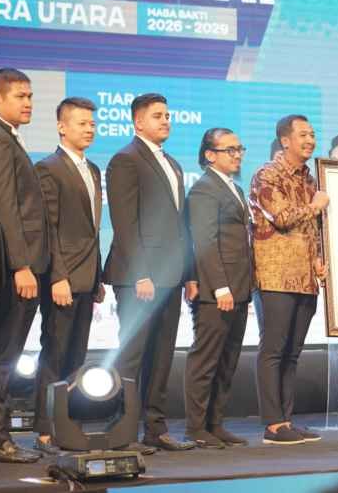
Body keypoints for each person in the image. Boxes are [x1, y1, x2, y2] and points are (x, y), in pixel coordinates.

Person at [105, 93, 195, 452]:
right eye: (158, 115)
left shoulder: (172, 163)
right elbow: (125, 222)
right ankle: (123, 432)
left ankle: (155, 429)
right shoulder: (125, 160)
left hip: (170, 276)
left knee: (161, 356)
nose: (166, 121)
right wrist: (141, 273)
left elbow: (180, 225)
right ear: (138, 122)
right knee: (133, 355)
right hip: (139, 278)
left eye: (168, 115)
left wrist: (188, 273)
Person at [0, 68, 48, 464]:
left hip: (26, 265)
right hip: (14, 269)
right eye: (20, 96)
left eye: (30, 96)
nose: (28, 103)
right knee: (1, 354)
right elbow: (4, 206)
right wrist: (21, 265)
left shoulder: (9, 138)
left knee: (5, 352)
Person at [249, 114, 328, 445]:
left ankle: (286, 420)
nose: (310, 140)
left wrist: (320, 259)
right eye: (303, 135)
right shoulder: (267, 174)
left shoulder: (310, 178)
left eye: (312, 134)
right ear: (285, 140)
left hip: (306, 278)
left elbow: (314, 229)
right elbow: (281, 217)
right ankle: (273, 424)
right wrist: (315, 206)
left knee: (293, 352)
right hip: (276, 277)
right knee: (274, 349)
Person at [33, 98, 104, 454]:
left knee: (76, 357)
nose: (89, 129)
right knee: (55, 354)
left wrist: (98, 276)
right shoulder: (48, 168)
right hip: (62, 278)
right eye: (82, 123)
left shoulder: (93, 168)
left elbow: (92, 230)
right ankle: (45, 430)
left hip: (87, 277)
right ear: (62, 127)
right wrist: (57, 276)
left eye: (92, 123)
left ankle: (68, 424)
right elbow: (49, 228)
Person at [184, 129, 254, 449]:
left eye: (240, 149)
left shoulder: (234, 187)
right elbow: (205, 242)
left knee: (227, 362)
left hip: (239, 288)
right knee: (206, 361)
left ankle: (216, 424)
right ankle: (196, 428)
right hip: (217, 292)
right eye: (230, 150)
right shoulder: (204, 189)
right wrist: (221, 287)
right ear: (210, 155)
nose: (237, 155)